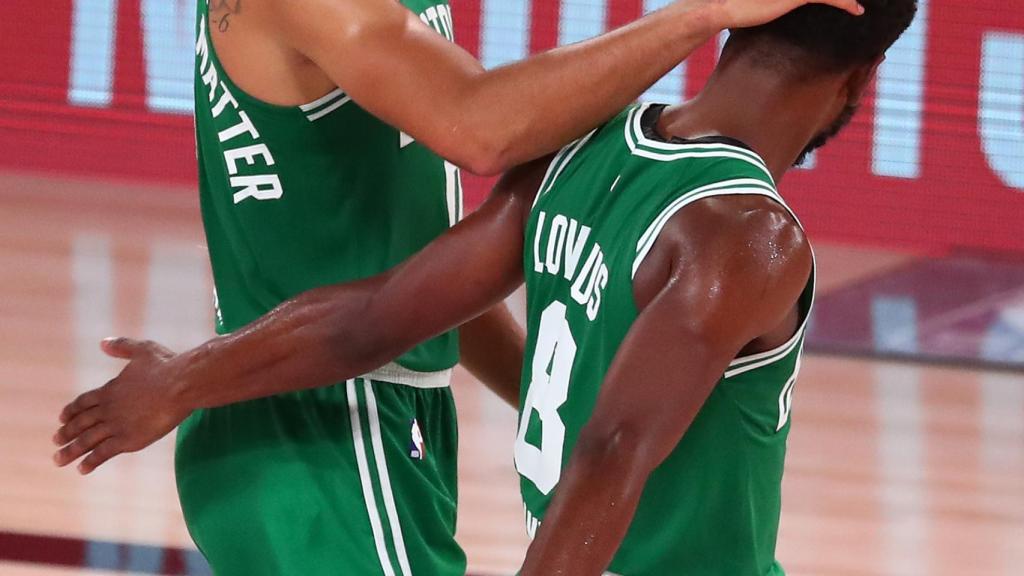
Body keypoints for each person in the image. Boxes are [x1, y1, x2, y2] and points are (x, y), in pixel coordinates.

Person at [52, 0, 875, 574]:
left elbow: (405, 289)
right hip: (327, 426)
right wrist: (698, 14)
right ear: (856, 82)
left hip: (343, 387)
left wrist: (187, 378)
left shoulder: (588, 154)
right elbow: (481, 129)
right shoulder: (746, 234)